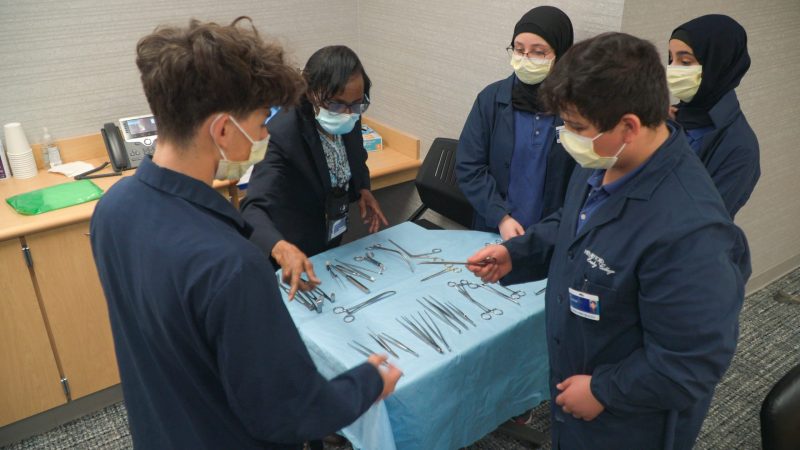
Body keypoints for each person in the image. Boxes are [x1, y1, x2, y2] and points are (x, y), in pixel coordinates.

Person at [90, 18, 401, 449]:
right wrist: (369, 380)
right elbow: (288, 413)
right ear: (221, 129)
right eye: (259, 123)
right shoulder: (232, 264)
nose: (264, 134)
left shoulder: (112, 209)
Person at [466, 32, 750, 449]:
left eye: (576, 126)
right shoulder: (606, 158)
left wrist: (604, 390)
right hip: (579, 373)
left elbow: (693, 362)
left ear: (629, 126)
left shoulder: (690, 231)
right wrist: (516, 254)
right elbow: (574, 221)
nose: (566, 135)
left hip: (630, 419)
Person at [241, 45, 386, 298]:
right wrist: (280, 248)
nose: (349, 113)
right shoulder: (283, 133)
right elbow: (253, 208)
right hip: (291, 250)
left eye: (357, 104)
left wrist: (363, 188)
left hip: (331, 235)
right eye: (338, 104)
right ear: (311, 92)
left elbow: (356, 155)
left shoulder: (350, 112)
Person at [456, 6, 576, 241]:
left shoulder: (577, 108)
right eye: (519, 50)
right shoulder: (491, 99)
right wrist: (501, 217)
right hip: (494, 229)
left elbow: (583, 182)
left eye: (538, 52)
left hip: (551, 236)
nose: (524, 59)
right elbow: (469, 166)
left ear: (561, 55)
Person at [667, 14, 759, 219]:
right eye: (671, 59)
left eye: (685, 61)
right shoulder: (670, 117)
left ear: (718, 64)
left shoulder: (740, 148)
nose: (673, 70)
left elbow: (699, 225)